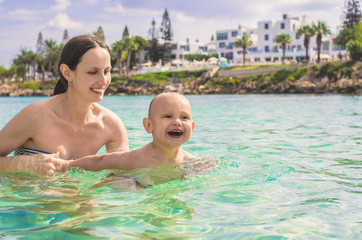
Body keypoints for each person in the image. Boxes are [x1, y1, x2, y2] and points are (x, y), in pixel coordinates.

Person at [0, 34, 129, 176]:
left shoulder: (111, 125)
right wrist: (25, 164)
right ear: (67, 73)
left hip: (81, 198)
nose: (103, 81)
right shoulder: (36, 115)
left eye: (107, 71)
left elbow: (123, 176)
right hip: (27, 197)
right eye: (93, 72)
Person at [64, 92, 196, 172]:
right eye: (168, 116)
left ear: (192, 126)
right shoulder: (136, 159)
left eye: (184, 117)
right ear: (149, 126)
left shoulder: (191, 162)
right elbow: (100, 161)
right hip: (134, 181)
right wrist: (67, 164)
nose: (177, 122)